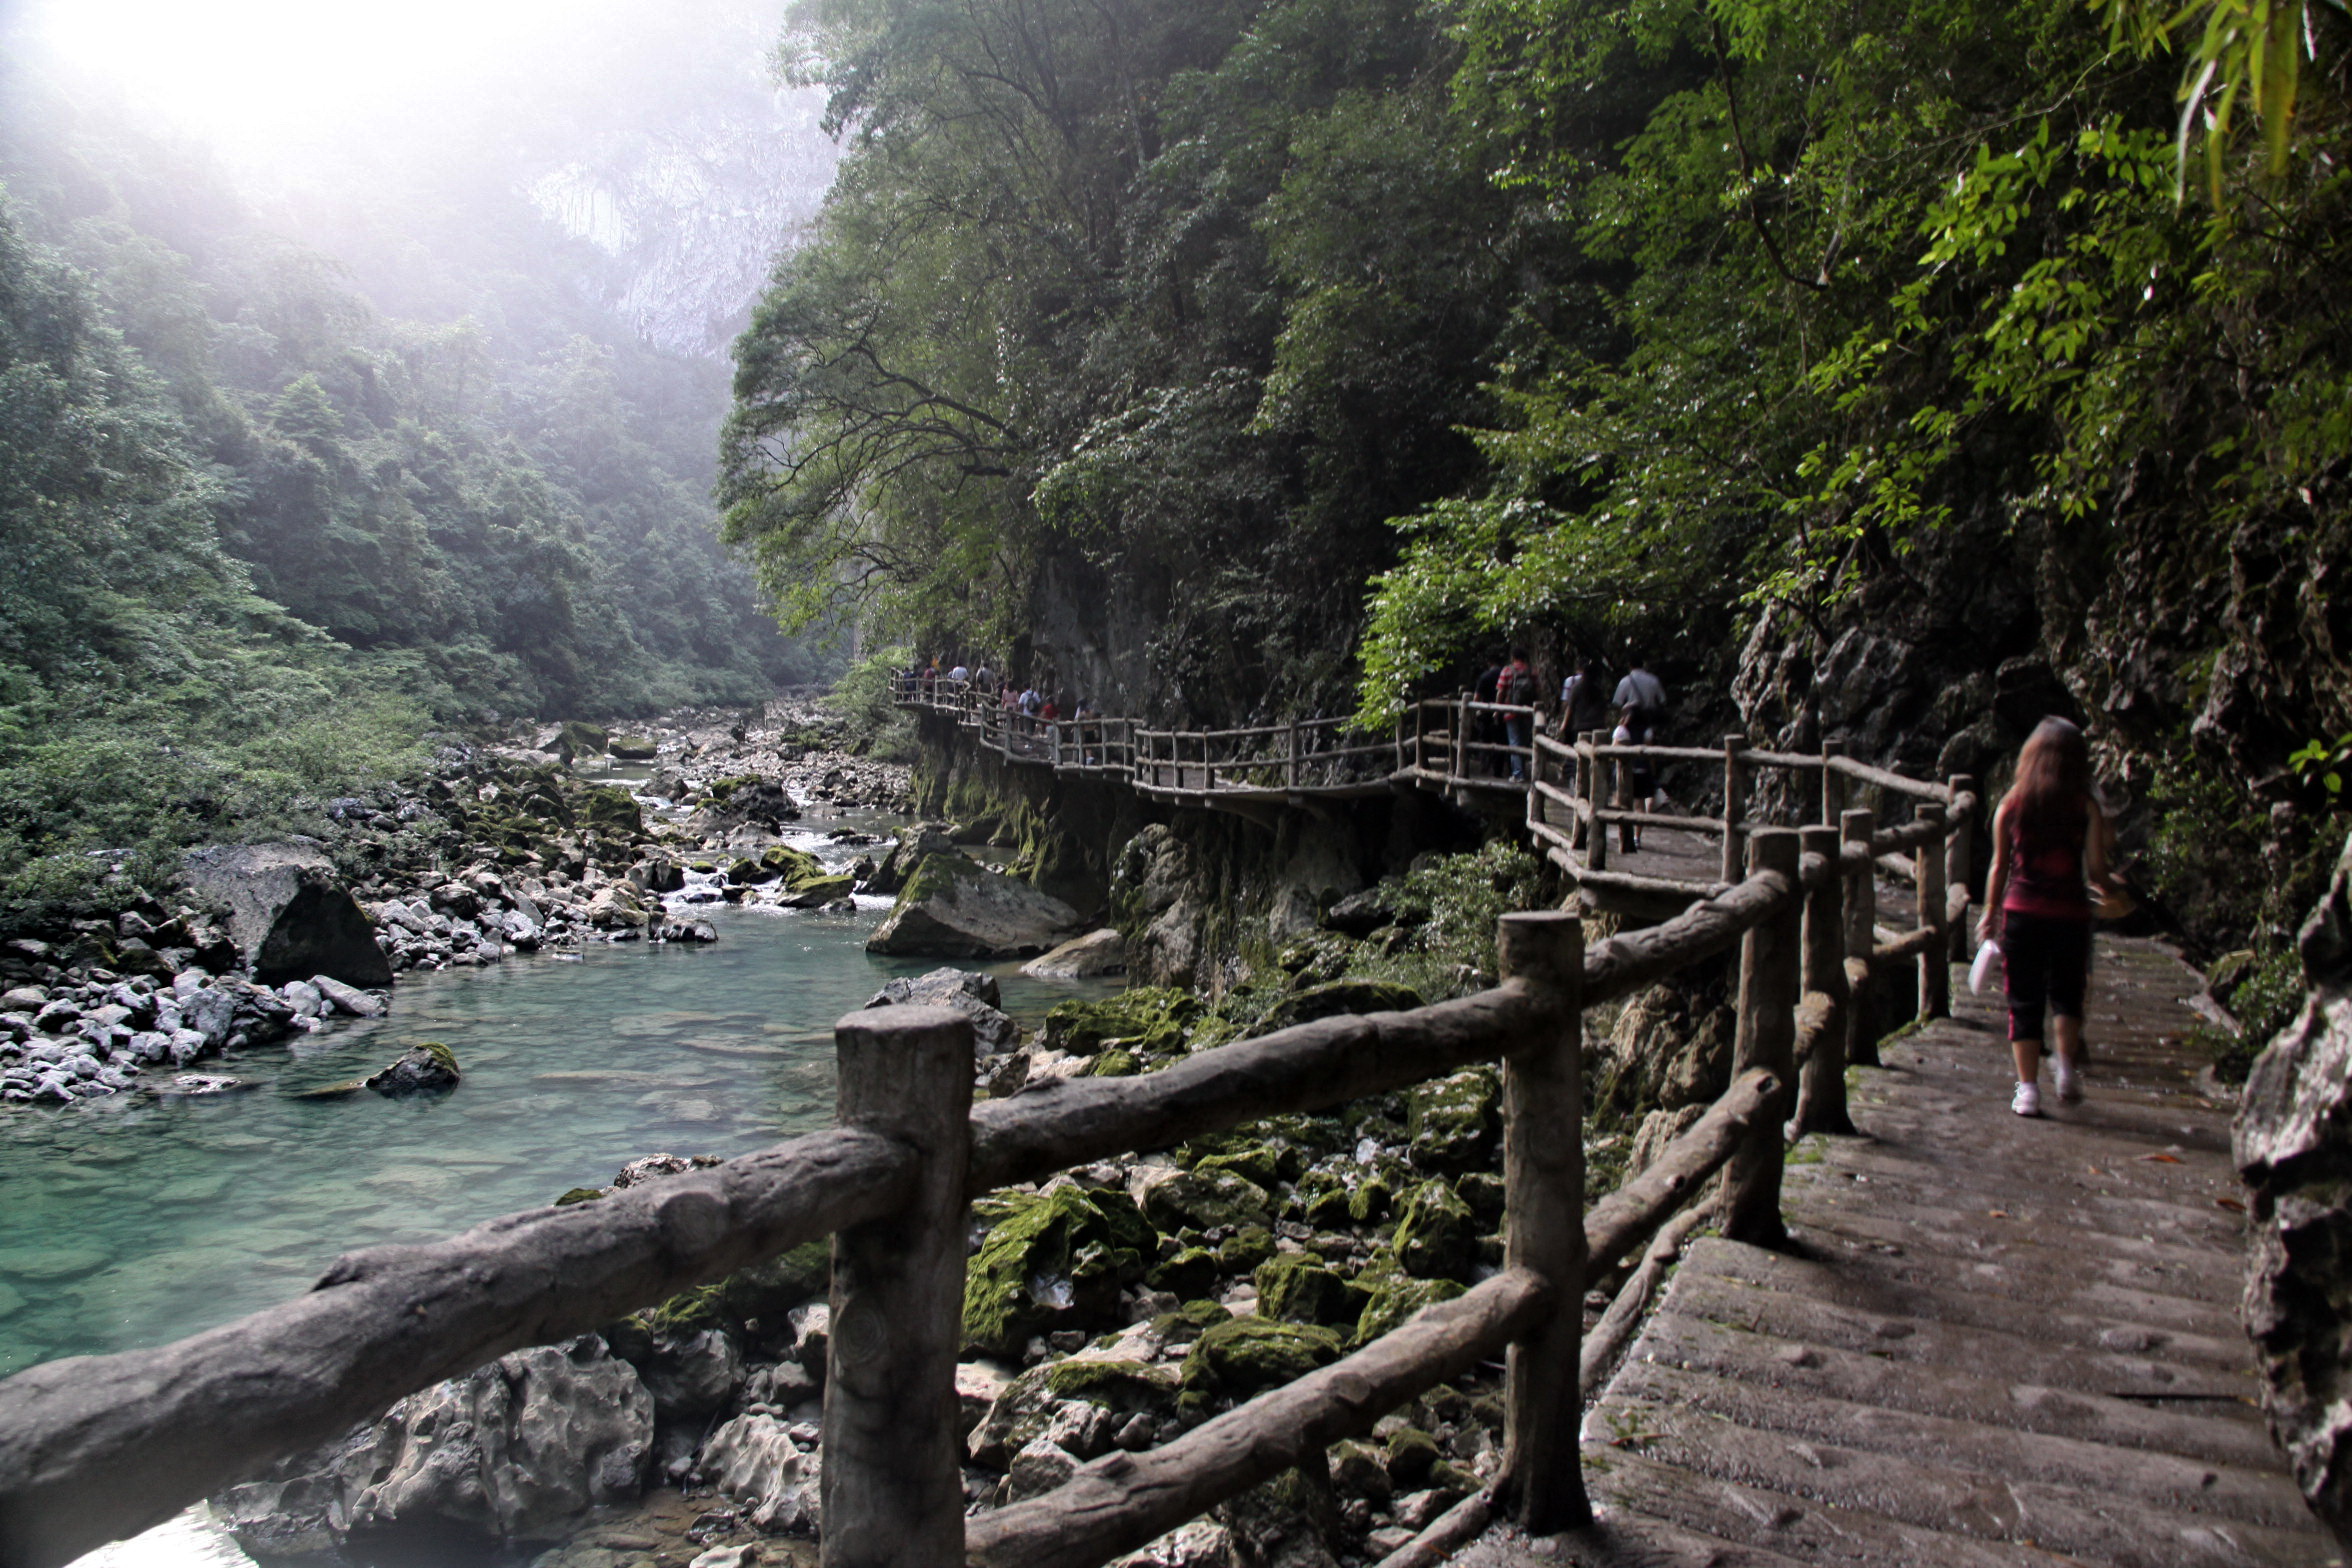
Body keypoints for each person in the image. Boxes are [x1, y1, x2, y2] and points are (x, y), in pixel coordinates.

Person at [1977, 717, 2116, 1117]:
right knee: (2067, 993)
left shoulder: (2013, 804)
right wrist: (2114, 888)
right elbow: (2097, 868)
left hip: (2022, 913)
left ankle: (2028, 1091)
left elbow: (1998, 866)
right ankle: (2067, 1069)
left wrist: (1989, 914)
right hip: (2071, 914)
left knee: (2024, 1000)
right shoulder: (2084, 807)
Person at [1611, 703, 1656, 852]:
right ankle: (1637, 837)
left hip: (1625, 772)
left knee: (1622, 803)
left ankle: (1623, 834)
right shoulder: (1647, 731)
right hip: (1643, 770)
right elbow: (1649, 753)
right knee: (1639, 805)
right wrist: (1652, 770)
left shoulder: (1621, 730)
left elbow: (1613, 750)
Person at [1499, 649, 1537, 781]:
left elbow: (1501, 690)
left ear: (1513, 657)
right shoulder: (1532, 671)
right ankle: (1523, 772)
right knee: (1525, 742)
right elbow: (1538, 690)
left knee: (1514, 742)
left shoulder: (1507, 671)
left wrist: (1498, 708)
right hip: (1527, 711)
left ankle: (1518, 774)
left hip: (1511, 711)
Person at [1612, 658, 1666, 741]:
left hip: (1630, 721)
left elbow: (1617, 702)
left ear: (1629, 666)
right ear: (1643, 665)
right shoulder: (1653, 680)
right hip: (1649, 720)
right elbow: (1663, 700)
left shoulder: (1625, 681)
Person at [1560, 655, 1611, 740]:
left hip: (1580, 726)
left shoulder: (1576, 688)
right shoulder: (1598, 689)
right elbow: (1603, 707)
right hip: (1598, 725)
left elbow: (1570, 707)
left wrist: (1564, 725)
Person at [1473, 653, 1507, 777]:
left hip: (1485, 713)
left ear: (1489, 662)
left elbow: (1476, 697)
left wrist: (1475, 711)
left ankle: (1485, 765)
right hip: (1503, 712)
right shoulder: (1505, 675)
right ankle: (1498, 770)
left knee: (1484, 739)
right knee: (1500, 741)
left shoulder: (1484, 677)